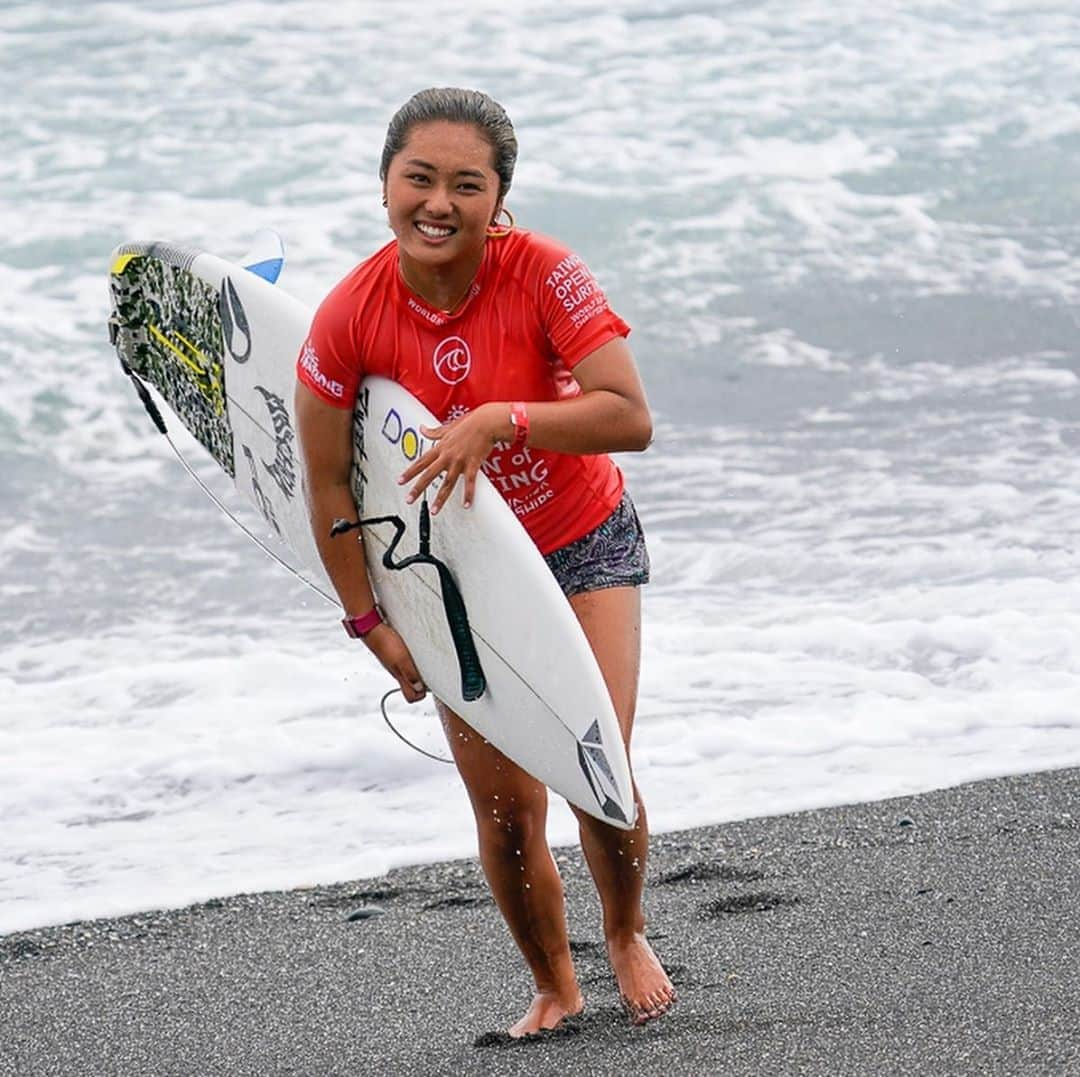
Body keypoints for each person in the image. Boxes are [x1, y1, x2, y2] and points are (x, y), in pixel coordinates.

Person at [294, 87, 675, 1037]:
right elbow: (328, 484)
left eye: (467, 184)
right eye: (419, 177)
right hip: (456, 578)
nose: (439, 202)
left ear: (498, 200)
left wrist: (498, 419)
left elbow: (628, 416)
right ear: (385, 184)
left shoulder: (544, 273)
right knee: (504, 811)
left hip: (581, 542)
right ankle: (554, 982)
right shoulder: (347, 316)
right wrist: (369, 620)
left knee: (597, 764)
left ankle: (624, 930)